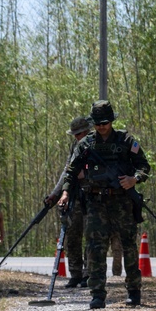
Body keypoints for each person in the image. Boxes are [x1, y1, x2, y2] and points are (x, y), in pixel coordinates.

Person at [57, 100, 150, 309]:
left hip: (122, 202)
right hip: (96, 203)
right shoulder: (85, 144)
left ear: (112, 121)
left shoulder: (126, 141)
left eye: (105, 123)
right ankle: (97, 294)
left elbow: (144, 166)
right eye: (98, 123)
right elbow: (71, 171)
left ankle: (134, 291)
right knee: (95, 248)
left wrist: (134, 179)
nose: (101, 127)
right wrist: (65, 192)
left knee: (128, 246)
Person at [46, 116, 93, 288]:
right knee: (72, 236)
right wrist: (55, 194)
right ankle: (75, 274)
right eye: (75, 134)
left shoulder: (96, 144)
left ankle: (88, 274)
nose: (77, 137)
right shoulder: (75, 147)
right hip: (75, 196)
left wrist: (86, 175)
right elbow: (67, 172)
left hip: (93, 196)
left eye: (79, 133)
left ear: (87, 131)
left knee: (91, 236)